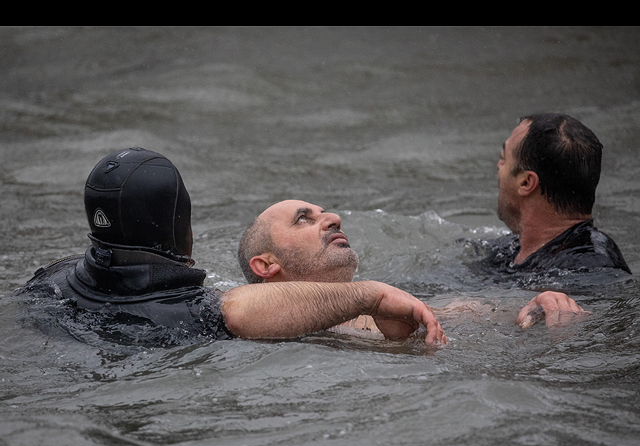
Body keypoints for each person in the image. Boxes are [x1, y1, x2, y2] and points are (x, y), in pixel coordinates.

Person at [13, 148, 447, 347]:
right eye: (303, 218)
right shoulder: (192, 309)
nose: (332, 218)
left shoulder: (51, 279)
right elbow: (235, 311)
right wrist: (370, 294)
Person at [238, 199, 585, 332]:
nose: (333, 218)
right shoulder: (245, 324)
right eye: (303, 219)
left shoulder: (384, 307)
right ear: (266, 265)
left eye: (323, 211)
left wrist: (537, 304)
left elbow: (462, 314)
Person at [478, 113, 630, 275]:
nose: (498, 166)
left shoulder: (594, 267)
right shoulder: (509, 249)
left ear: (526, 182)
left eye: (504, 159)